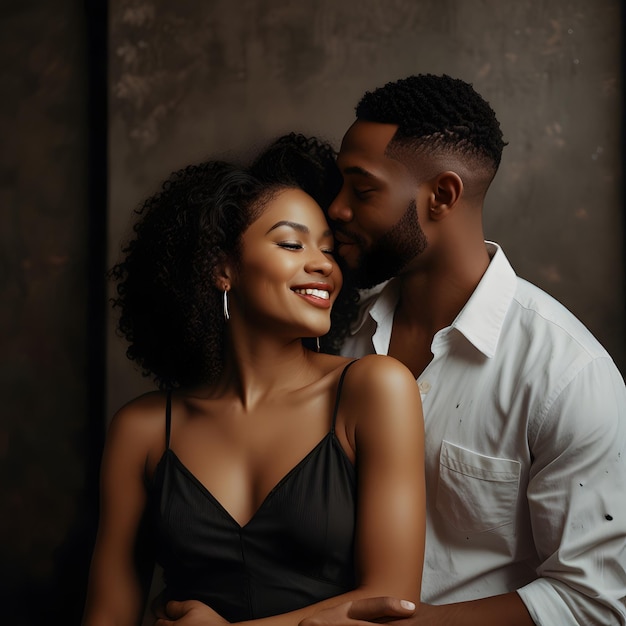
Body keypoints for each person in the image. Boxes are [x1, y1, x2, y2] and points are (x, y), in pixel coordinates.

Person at [310, 73, 626, 625]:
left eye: (361, 190)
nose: (335, 209)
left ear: (442, 195)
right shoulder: (337, 336)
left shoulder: (567, 374)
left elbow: (592, 603)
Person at [80, 134, 426, 626]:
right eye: (291, 243)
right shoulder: (143, 429)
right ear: (221, 268)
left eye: (329, 249)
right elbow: (106, 616)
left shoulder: (373, 390)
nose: (323, 264)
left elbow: (392, 602)